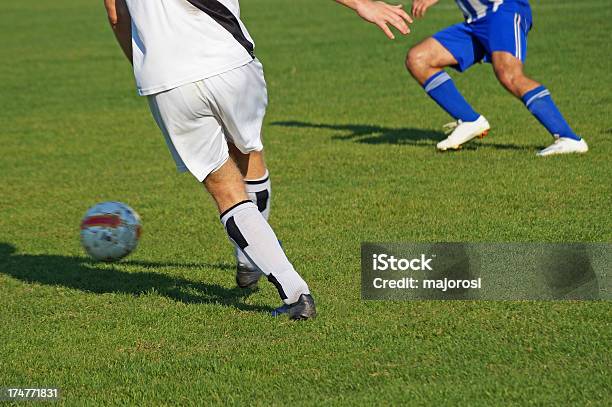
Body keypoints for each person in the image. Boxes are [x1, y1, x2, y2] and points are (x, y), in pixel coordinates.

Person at [103, 0, 412, 319]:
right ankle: (254, 261)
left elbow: (116, 16)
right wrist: (361, 4)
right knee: (249, 154)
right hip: (230, 63)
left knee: (225, 189)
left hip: (168, 81)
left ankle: (290, 289)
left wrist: (145, 64)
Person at [406, 0, 588, 156]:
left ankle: (569, 138)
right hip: (475, 22)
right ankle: (470, 120)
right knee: (419, 59)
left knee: (510, 74)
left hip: (503, 11)